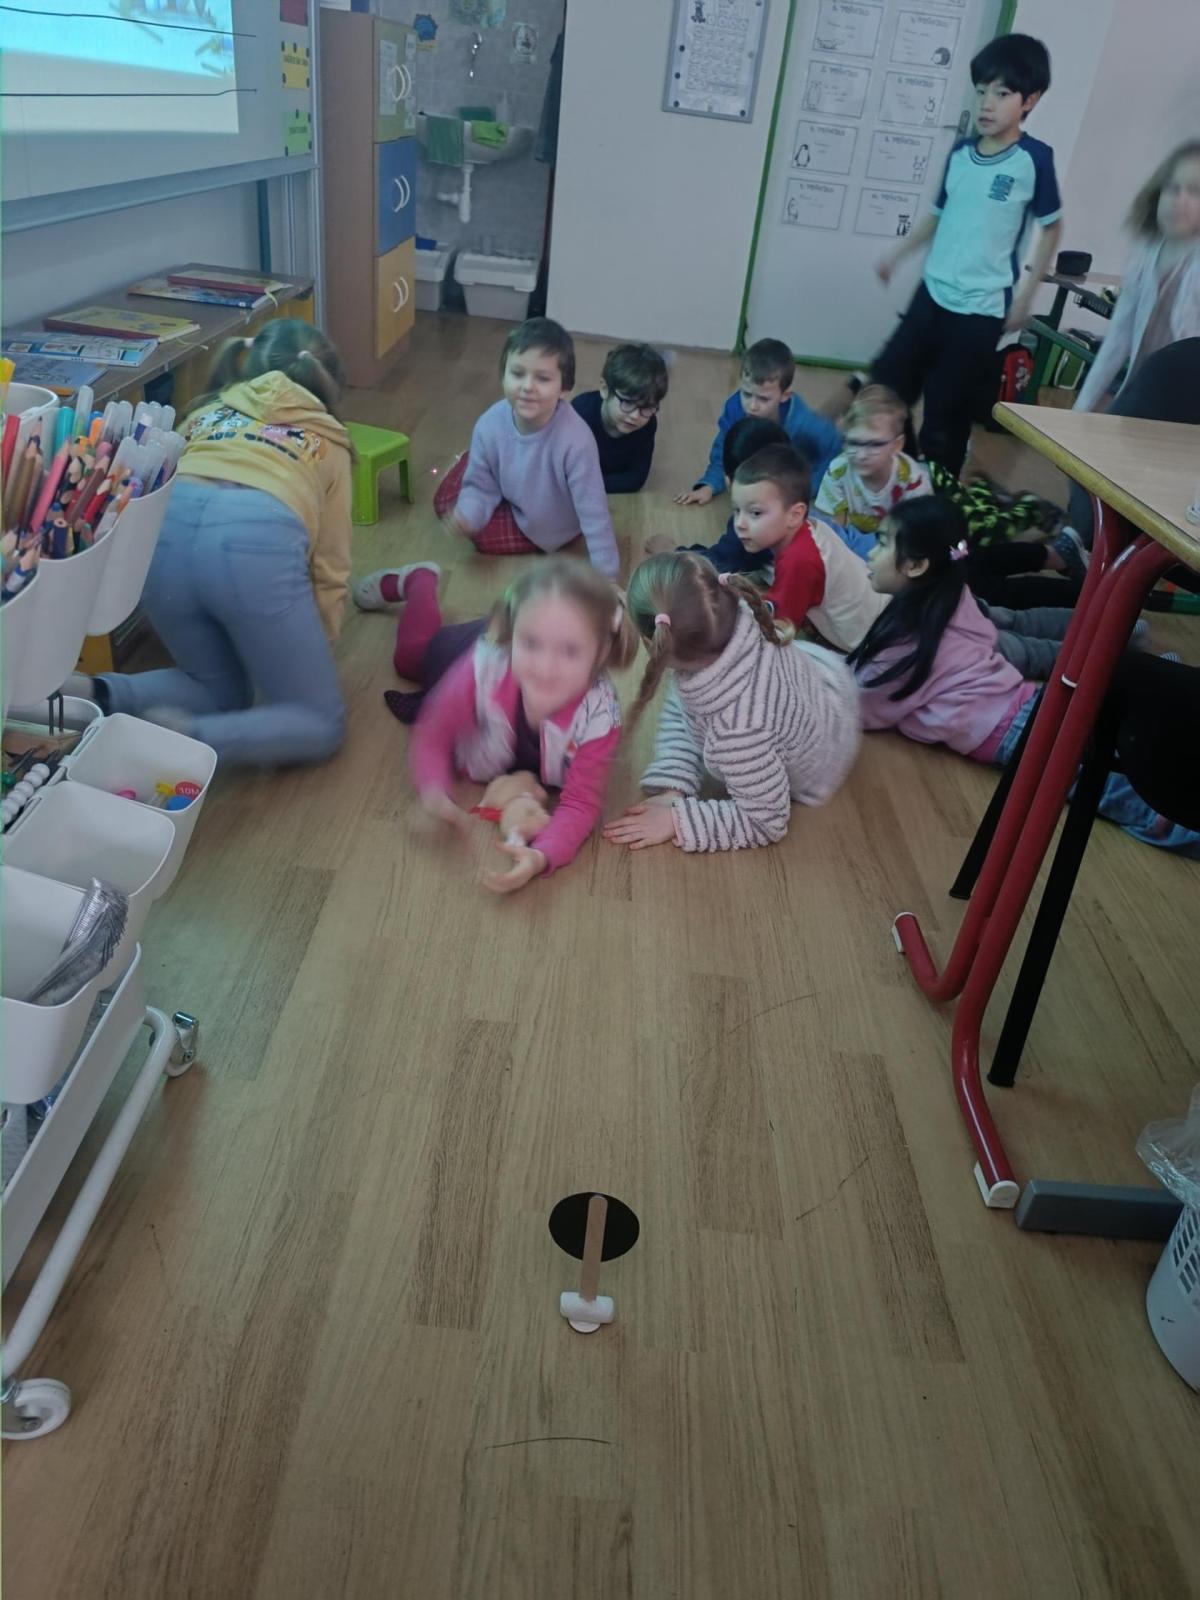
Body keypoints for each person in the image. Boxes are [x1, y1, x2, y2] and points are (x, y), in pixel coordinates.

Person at [67, 319, 351, 767]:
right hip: (254, 541)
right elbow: (330, 566)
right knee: (321, 721)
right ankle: (188, 737)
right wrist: (317, 643)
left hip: (161, 537)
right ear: (327, 385)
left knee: (218, 690)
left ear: (248, 365)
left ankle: (96, 692)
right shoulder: (329, 442)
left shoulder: (205, 412)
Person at [848, 500, 1197, 855]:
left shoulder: (903, 641)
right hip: (1028, 703)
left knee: (1118, 793)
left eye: (881, 543)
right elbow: (986, 636)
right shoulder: (950, 594)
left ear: (916, 565)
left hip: (1012, 733)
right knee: (1129, 757)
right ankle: (1151, 684)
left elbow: (862, 707)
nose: (870, 554)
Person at [358, 557, 639, 893]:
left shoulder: (600, 716)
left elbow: (581, 803)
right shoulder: (481, 669)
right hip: (460, 652)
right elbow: (435, 731)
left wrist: (541, 855)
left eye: (570, 651)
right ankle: (420, 581)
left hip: (503, 642)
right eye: (531, 643)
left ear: (602, 652)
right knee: (408, 657)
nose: (545, 668)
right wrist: (433, 789)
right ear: (513, 633)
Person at [872, 33, 1062, 476]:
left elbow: (1052, 227)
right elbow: (938, 216)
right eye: (981, 91)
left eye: (1002, 93)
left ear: (1030, 100)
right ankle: (905, 473)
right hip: (932, 295)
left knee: (946, 411)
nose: (987, 104)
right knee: (888, 386)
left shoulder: (1034, 159)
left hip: (980, 311)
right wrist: (897, 254)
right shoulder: (960, 153)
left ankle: (939, 494)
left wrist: (1025, 297)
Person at [603, 553, 860, 853]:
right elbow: (685, 708)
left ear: (655, 644)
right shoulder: (733, 620)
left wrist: (677, 819)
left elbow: (765, 821)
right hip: (827, 680)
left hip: (828, 748)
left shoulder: (739, 731)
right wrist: (674, 784)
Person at [432, 317, 619, 578]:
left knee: (480, 535)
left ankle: (467, 463)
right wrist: (469, 516)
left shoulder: (577, 441)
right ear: (503, 376)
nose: (527, 387)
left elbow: (594, 514)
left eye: (543, 378)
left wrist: (607, 577)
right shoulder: (490, 423)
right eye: (517, 374)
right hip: (513, 491)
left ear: (564, 389)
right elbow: (480, 485)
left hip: (549, 525)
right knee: (445, 503)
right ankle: (472, 464)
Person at [723, 442, 889, 651]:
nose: (739, 524)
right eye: (736, 510)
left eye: (755, 513)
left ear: (795, 515)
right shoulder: (810, 527)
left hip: (868, 640)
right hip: (881, 607)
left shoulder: (798, 561)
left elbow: (779, 629)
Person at [1075, 140, 1200, 412]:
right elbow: (1117, 340)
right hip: (1147, 390)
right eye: (1173, 188)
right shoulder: (1145, 253)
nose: (1179, 201)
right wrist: (1080, 411)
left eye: (1194, 191)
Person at [674, 337, 842, 507]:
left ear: (785, 395)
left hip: (806, 462)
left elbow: (836, 450)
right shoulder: (735, 409)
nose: (752, 406)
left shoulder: (804, 423)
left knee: (832, 418)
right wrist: (709, 485)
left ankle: (852, 387)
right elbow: (723, 453)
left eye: (763, 399)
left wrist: (807, 488)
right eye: (746, 394)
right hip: (772, 464)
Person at [571, 343, 669, 493]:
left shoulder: (648, 423)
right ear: (605, 390)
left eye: (647, 407)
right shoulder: (579, 414)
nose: (635, 416)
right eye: (628, 403)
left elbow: (635, 480)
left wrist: (587, 483)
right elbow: (563, 473)